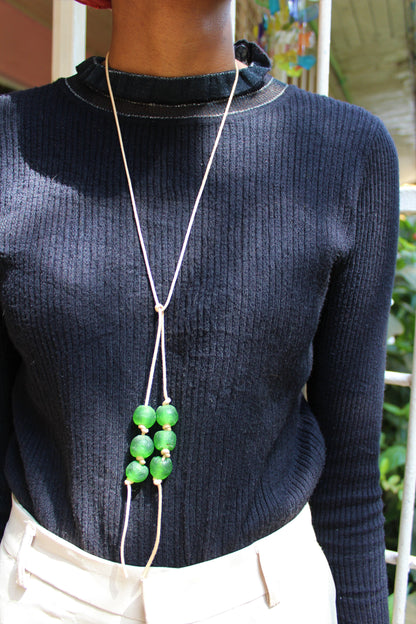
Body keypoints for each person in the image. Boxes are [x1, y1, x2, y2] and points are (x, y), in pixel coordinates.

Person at [0, 0, 399, 622]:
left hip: (268, 599)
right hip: (41, 594)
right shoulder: (10, 144)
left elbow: (350, 481)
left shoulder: (348, 153)